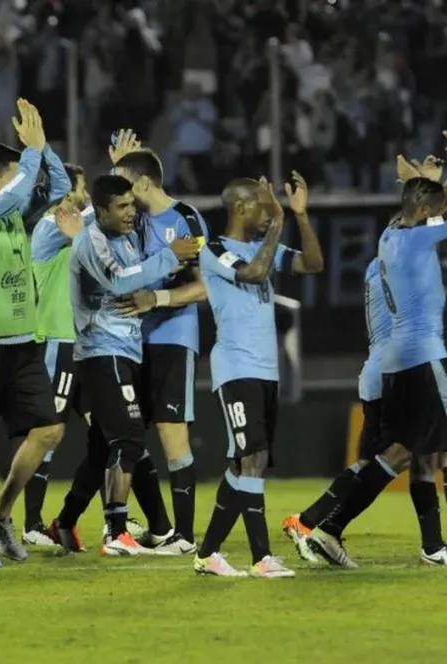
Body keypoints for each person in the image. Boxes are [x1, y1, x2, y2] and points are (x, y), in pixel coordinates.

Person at [286, 177, 447, 568]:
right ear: (425, 211)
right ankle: (326, 524)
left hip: (396, 363)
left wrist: (431, 181)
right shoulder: (415, 241)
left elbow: (412, 213)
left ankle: (427, 545)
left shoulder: (389, 238)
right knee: (409, 454)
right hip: (422, 356)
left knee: (408, 454)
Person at [0, 99, 71, 568]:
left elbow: (59, 188)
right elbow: (21, 191)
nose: (23, 181)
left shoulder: (13, 215)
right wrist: (33, 153)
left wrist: (43, 148)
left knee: (50, 430)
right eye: (15, 174)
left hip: (24, 345)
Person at [60, 175, 198, 556]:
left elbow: (144, 271)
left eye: (131, 205)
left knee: (103, 449)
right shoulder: (91, 239)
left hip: (126, 351)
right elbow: (120, 281)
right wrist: (170, 256)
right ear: (101, 211)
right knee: (129, 438)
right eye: (121, 207)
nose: (130, 213)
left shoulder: (127, 236)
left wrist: (171, 268)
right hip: (102, 351)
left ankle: (66, 522)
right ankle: (116, 531)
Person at [193, 172, 323, 578]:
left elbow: (313, 264)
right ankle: (260, 557)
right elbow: (252, 273)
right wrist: (279, 223)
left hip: (265, 370)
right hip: (236, 367)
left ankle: (207, 554)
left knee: (246, 463)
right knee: (252, 458)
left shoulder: (263, 248)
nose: (269, 212)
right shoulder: (214, 249)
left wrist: (300, 217)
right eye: (262, 205)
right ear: (240, 208)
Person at [112, 148, 209, 554]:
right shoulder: (130, 220)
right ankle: (157, 529)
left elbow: (206, 285)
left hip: (173, 337)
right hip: (129, 340)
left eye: (125, 183)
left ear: (144, 183)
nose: (122, 194)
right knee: (127, 435)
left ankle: (185, 537)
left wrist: (158, 298)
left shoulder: (185, 218)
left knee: (172, 434)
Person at [22, 162, 91, 547]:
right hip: (57, 342)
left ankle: (113, 521)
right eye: (81, 190)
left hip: (83, 344)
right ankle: (30, 522)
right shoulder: (50, 229)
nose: (86, 197)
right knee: (48, 432)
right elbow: (99, 224)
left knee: (110, 431)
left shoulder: (73, 229)